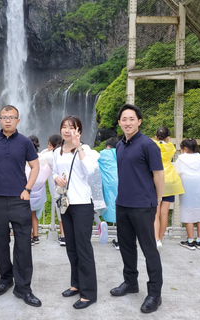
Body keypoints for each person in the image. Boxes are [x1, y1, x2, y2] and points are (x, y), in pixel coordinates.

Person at [0, 105, 42, 307]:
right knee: (0, 243)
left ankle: (23, 288)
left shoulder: (25, 142)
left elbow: (35, 166)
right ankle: (5, 279)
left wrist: (28, 189)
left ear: (18, 120)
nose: (7, 120)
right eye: (4, 117)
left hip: (19, 200)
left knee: (23, 245)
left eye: (11, 117)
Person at [110, 104, 164, 314]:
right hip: (122, 203)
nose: (128, 122)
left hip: (143, 205)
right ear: (119, 123)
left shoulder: (148, 145)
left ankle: (155, 294)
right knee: (126, 247)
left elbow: (158, 175)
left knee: (149, 249)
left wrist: (157, 200)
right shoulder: (119, 146)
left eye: (132, 119)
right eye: (124, 119)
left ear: (139, 121)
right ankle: (130, 283)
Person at [53, 115, 99, 309]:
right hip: (66, 204)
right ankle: (76, 284)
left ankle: (89, 293)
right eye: (64, 127)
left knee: (84, 248)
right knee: (71, 247)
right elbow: (55, 171)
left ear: (78, 130)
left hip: (82, 205)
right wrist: (56, 179)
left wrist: (78, 146)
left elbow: (89, 170)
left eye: (72, 127)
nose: (67, 130)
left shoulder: (86, 150)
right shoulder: (57, 151)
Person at [174, 139, 200, 250]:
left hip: (187, 185)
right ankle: (199, 241)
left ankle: (190, 241)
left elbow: (176, 171)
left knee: (188, 212)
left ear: (184, 148)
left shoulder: (181, 158)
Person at [153, 127, 184, 249]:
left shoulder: (153, 146)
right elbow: (165, 143)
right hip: (170, 180)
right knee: (164, 213)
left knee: (155, 213)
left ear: (156, 137)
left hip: (156, 179)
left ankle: (156, 240)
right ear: (168, 138)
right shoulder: (171, 147)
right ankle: (161, 238)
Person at [41, 134, 64, 245]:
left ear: (50, 144)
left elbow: (40, 156)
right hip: (67, 184)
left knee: (60, 209)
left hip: (55, 185)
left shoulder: (49, 155)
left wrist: (49, 148)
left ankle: (63, 235)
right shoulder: (64, 152)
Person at [26, 135, 49, 246]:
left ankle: (29, 235)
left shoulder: (25, 158)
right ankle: (36, 235)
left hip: (27, 191)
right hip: (39, 192)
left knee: (26, 215)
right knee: (34, 214)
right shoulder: (42, 157)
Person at [98, 137, 119, 249]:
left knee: (109, 206)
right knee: (122, 209)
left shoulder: (102, 154)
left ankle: (100, 225)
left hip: (108, 184)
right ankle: (119, 240)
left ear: (107, 146)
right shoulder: (122, 152)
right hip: (123, 182)